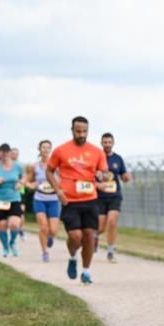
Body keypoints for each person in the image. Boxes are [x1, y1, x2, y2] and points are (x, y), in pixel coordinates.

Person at [47, 116, 109, 285]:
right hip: (70, 200)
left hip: (90, 199)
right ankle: (73, 257)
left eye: (84, 131)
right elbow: (49, 171)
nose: (81, 134)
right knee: (75, 236)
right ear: (72, 130)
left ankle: (86, 271)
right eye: (78, 131)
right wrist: (57, 190)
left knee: (89, 236)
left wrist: (101, 175)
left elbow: (105, 173)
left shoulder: (97, 151)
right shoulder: (61, 150)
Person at [95, 132, 132, 263]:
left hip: (115, 196)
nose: (107, 145)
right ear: (101, 143)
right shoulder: (96, 158)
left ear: (113, 143)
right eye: (105, 142)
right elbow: (88, 178)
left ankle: (110, 252)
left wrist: (126, 177)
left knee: (112, 222)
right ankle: (95, 236)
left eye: (109, 142)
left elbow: (123, 176)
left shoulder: (118, 159)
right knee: (100, 227)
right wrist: (98, 185)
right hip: (100, 197)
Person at [0, 143, 25, 257]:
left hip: (14, 199)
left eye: (7, 151)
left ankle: (12, 242)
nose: (5, 154)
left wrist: (20, 183)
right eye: (3, 152)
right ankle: (5, 247)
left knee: (14, 224)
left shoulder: (17, 166)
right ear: (0, 153)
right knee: (2, 226)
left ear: (10, 153)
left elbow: (23, 177)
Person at [25, 140, 61, 263]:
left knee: (54, 230)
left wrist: (58, 185)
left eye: (48, 147)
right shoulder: (34, 166)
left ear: (51, 150)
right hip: (39, 199)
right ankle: (45, 252)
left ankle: (50, 237)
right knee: (44, 227)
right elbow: (27, 181)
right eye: (43, 147)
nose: (45, 150)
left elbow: (63, 180)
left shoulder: (56, 165)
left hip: (53, 200)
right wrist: (32, 185)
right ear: (39, 150)